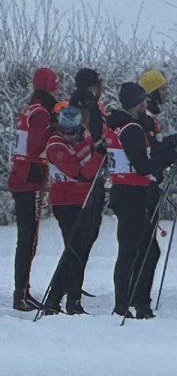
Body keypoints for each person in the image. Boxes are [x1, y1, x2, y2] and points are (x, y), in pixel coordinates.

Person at [105, 83, 177, 319]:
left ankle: (136, 302)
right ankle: (125, 304)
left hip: (128, 192)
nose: (146, 104)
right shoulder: (131, 129)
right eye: (142, 101)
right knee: (134, 251)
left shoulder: (124, 126)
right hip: (132, 193)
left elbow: (154, 149)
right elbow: (143, 165)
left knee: (144, 250)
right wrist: (173, 156)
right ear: (136, 103)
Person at [42, 106, 106, 315]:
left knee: (79, 249)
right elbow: (80, 172)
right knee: (74, 249)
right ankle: (65, 299)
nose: (68, 136)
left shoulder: (85, 135)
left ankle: (64, 299)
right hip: (65, 202)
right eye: (64, 131)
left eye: (72, 132)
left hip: (85, 199)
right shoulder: (55, 145)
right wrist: (97, 154)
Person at [7, 67, 58, 311]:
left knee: (26, 238)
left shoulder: (29, 110)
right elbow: (38, 147)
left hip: (20, 176)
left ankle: (22, 291)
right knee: (29, 238)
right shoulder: (41, 113)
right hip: (30, 178)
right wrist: (55, 131)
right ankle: (22, 293)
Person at [69, 67, 107, 142]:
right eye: (97, 85)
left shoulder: (74, 101)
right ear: (92, 86)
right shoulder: (88, 104)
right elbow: (94, 133)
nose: (100, 90)